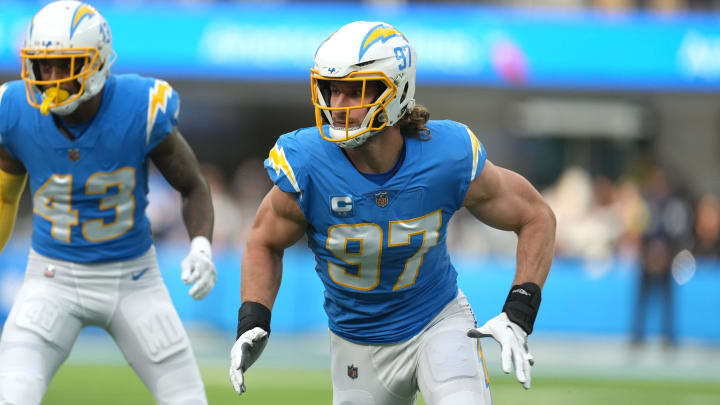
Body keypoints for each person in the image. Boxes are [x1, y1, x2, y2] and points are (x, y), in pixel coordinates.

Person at [229, 21, 556, 404]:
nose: (337, 105)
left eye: (356, 91)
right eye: (332, 89)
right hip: (356, 345)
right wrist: (254, 319)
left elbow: (536, 216)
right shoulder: (308, 164)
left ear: (396, 92)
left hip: (437, 321)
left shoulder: (446, 156)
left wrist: (520, 310)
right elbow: (264, 241)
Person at [0, 2, 216, 404]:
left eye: (65, 64)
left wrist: (201, 245)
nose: (50, 78)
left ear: (97, 61)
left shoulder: (140, 104)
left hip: (132, 278)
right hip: (50, 277)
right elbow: (3, 195)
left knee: (187, 399)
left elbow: (192, 185)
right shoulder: (13, 111)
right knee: (12, 393)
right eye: (42, 65)